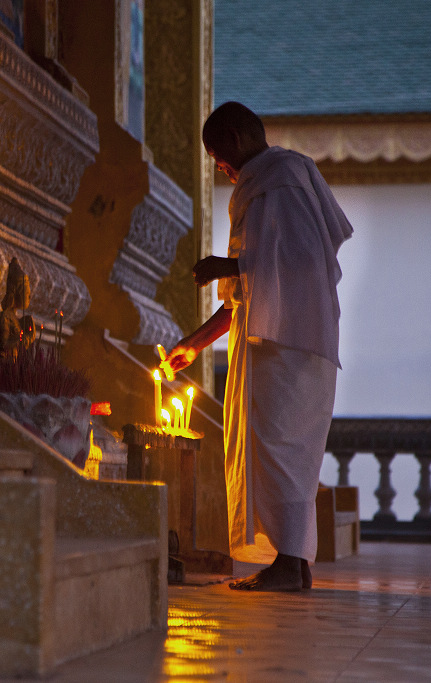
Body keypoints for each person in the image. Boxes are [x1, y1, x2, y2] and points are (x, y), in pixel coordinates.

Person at [167, 102, 353, 591]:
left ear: (237, 135)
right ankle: (292, 562)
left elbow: (295, 261)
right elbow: (248, 294)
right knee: (270, 446)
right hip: (274, 341)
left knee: (281, 447)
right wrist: (196, 343)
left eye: (218, 153)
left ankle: (291, 566)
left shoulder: (284, 176)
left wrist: (224, 267)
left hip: (293, 340)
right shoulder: (261, 186)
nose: (218, 166)